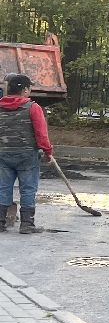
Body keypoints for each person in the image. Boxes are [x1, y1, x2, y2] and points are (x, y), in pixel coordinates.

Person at [1, 73, 54, 234]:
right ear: (25, 90)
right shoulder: (33, 107)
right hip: (27, 156)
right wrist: (47, 152)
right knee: (28, 188)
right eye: (29, 88)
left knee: (2, 187)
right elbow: (41, 133)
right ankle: (27, 224)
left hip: (3, 155)